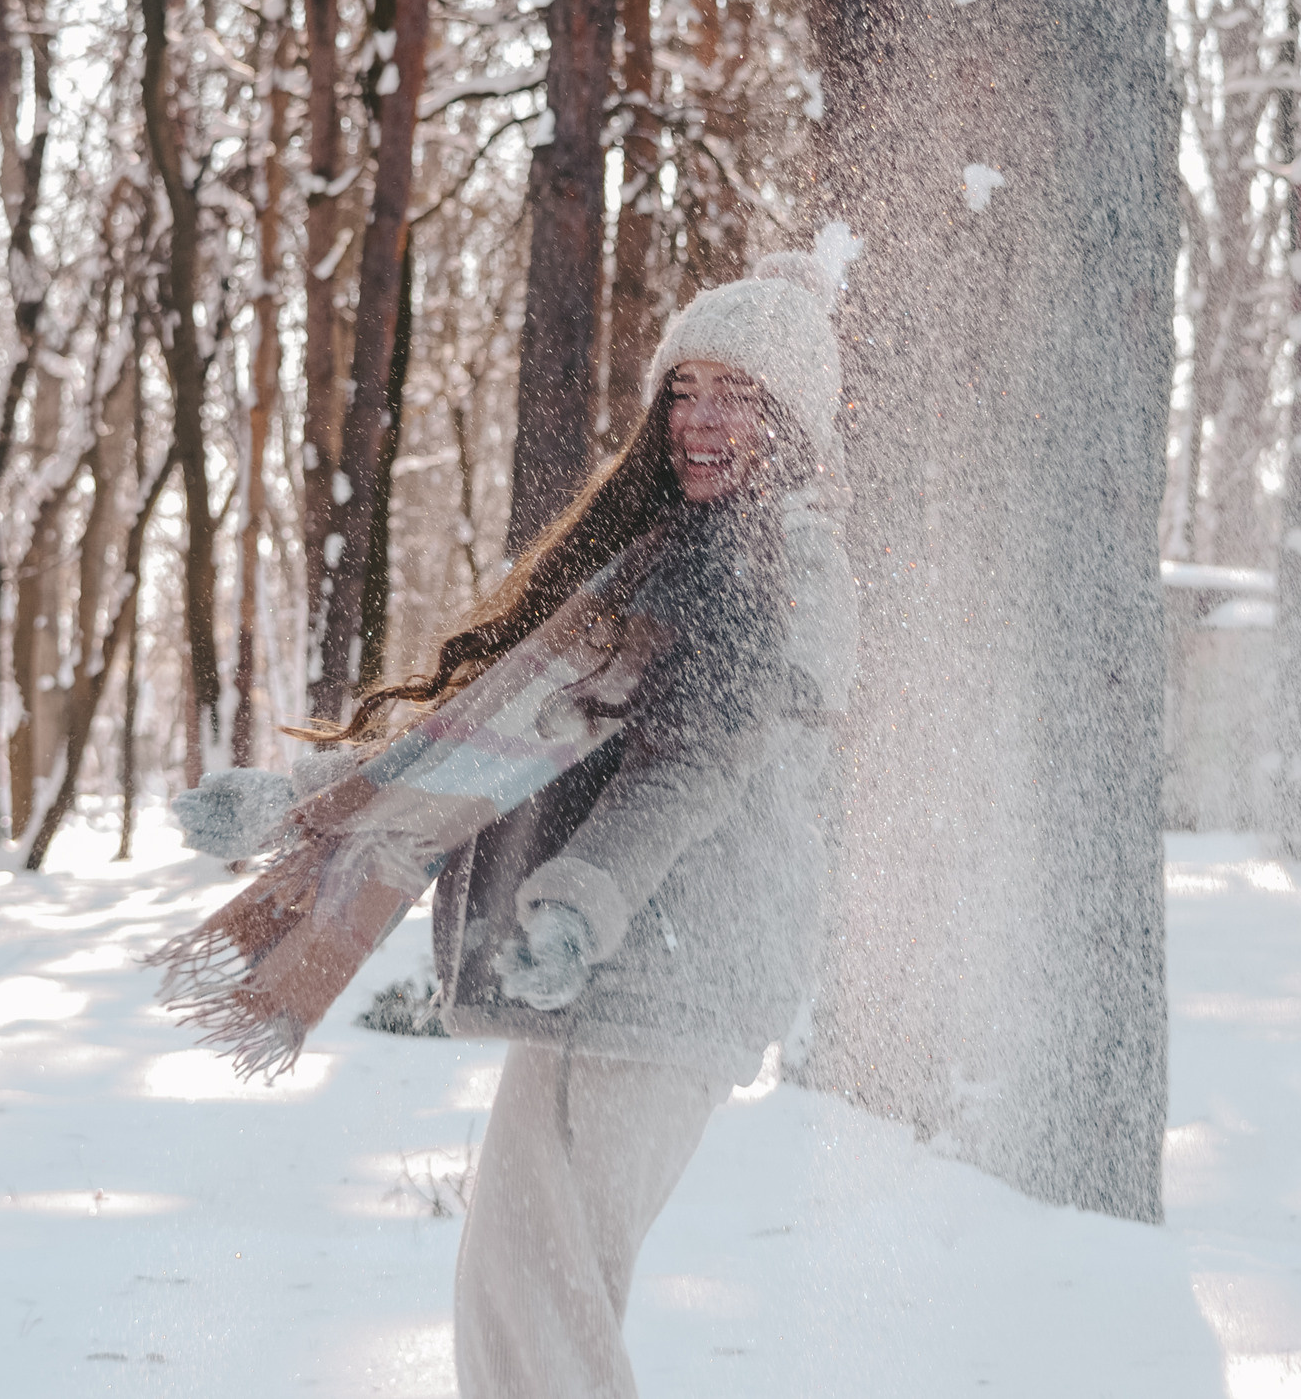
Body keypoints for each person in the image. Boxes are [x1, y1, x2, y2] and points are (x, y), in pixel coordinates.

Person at [174, 243, 856, 1399]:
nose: (698, 418)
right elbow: (487, 723)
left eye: (735, 393)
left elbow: (699, 772)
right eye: (684, 388)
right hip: (587, 963)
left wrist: (582, 903)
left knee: (544, 1302)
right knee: (515, 1296)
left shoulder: (796, 572)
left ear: (790, 418)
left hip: (682, 967)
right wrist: (296, 800)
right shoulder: (650, 559)